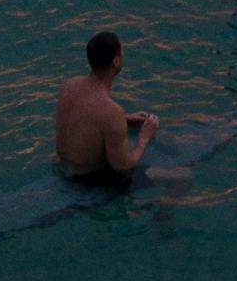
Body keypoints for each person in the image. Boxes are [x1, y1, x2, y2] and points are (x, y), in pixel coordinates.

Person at [55, 30, 185, 190]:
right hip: (88, 181)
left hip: (61, 166)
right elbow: (123, 166)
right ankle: (161, 215)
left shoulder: (69, 86)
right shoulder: (110, 111)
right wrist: (144, 137)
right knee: (182, 175)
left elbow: (85, 118)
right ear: (116, 61)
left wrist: (123, 119)